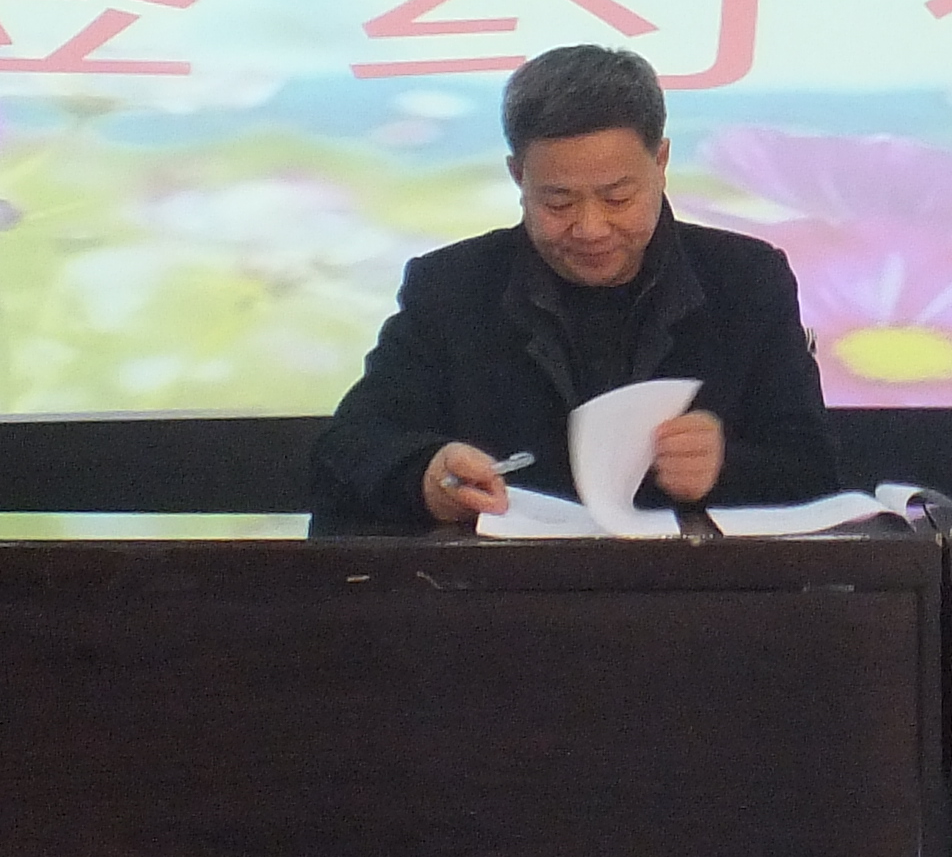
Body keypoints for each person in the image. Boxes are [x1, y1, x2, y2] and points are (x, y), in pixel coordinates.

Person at [307, 43, 846, 528]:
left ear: (660, 161)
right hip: (500, 591)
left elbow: (814, 469)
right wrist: (427, 477)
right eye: (558, 202)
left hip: (694, 592)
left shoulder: (746, 280)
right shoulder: (452, 287)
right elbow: (354, 445)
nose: (591, 229)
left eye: (617, 198)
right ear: (518, 175)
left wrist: (724, 468)